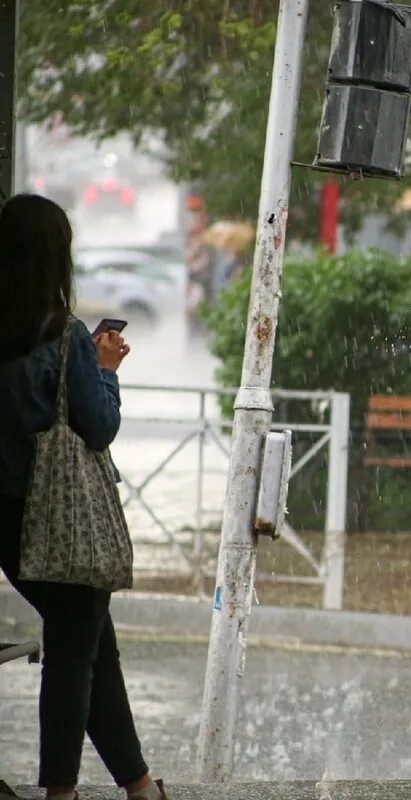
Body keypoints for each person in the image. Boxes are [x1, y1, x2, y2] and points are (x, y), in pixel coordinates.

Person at [0, 195, 170, 800]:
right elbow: (97, 427)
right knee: (76, 658)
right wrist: (105, 369)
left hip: (11, 527)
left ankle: (142, 787)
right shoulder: (66, 335)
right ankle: (61, 793)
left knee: (95, 648)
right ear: (56, 260)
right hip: (65, 522)